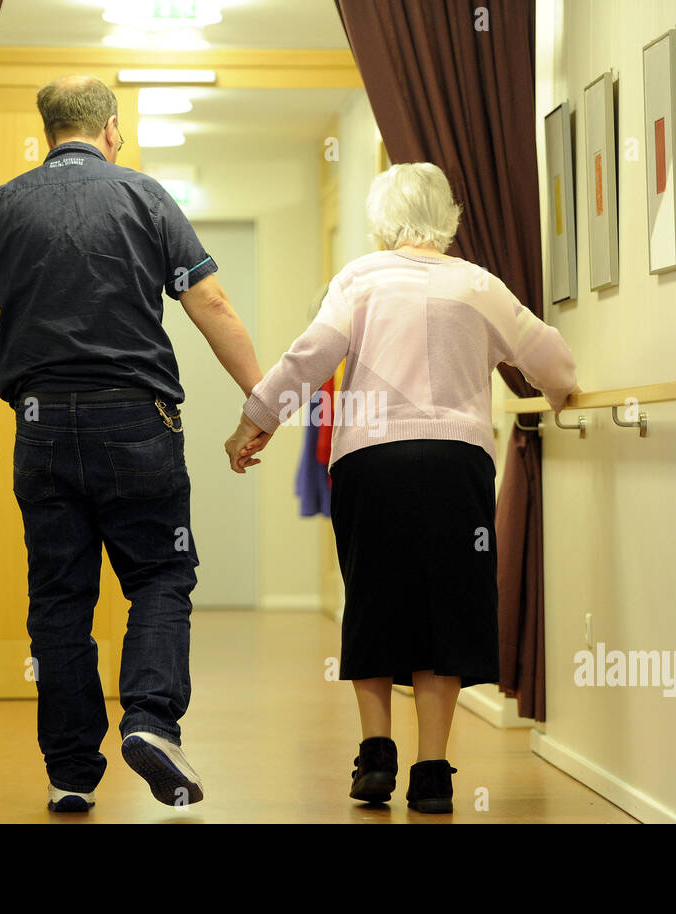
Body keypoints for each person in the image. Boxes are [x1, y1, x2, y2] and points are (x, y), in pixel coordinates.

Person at [0, 75, 262, 813]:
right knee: (158, 575)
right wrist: (262, 398)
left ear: (48, 130)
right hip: (137, 423)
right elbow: (209, 300)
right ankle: (150, 721)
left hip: (39, 424)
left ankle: (70, 772)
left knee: (59, 599)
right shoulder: (145, 198)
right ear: (111, 130)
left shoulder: (0, 206)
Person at [225, 162, 578, 813]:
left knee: (373, 600)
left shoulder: (359, 278)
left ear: (381, 220)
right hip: (456, 463)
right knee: (447, 606)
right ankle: (435, 773)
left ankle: (376, 760)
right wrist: (560, 393)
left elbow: (312, 354)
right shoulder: (478, 284)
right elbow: (547, 354)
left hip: (370, 464)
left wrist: (260, 418)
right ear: (449, 216)